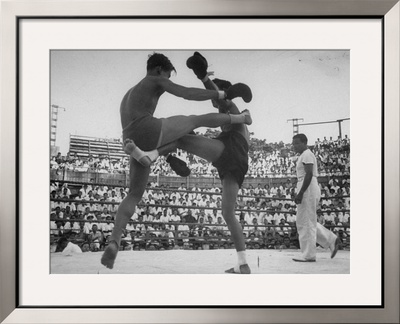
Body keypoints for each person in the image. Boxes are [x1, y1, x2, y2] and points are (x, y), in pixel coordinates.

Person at [101, 52, 252, 269]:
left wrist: (215, 88)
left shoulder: (129, 94)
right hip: (232, 159)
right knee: (193, 123)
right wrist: (207, 82)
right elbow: (202, 95)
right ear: (160, 70)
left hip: (133, 136)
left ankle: (114, 239)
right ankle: (243, 264)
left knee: (190, 127)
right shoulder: (156, 80)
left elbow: (220, 98)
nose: (214, 103)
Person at [291, 133, 341, 262]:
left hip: (307, 187)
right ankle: (331, 239)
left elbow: (309, 174)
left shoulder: (307, 154)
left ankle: (309, 254)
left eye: (297, 143)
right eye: (293, 143)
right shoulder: (303, 155)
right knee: (306, 220)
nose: (294, 146)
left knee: (306, 221)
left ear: (304, 142)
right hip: (305, 185)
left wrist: (301, 192)